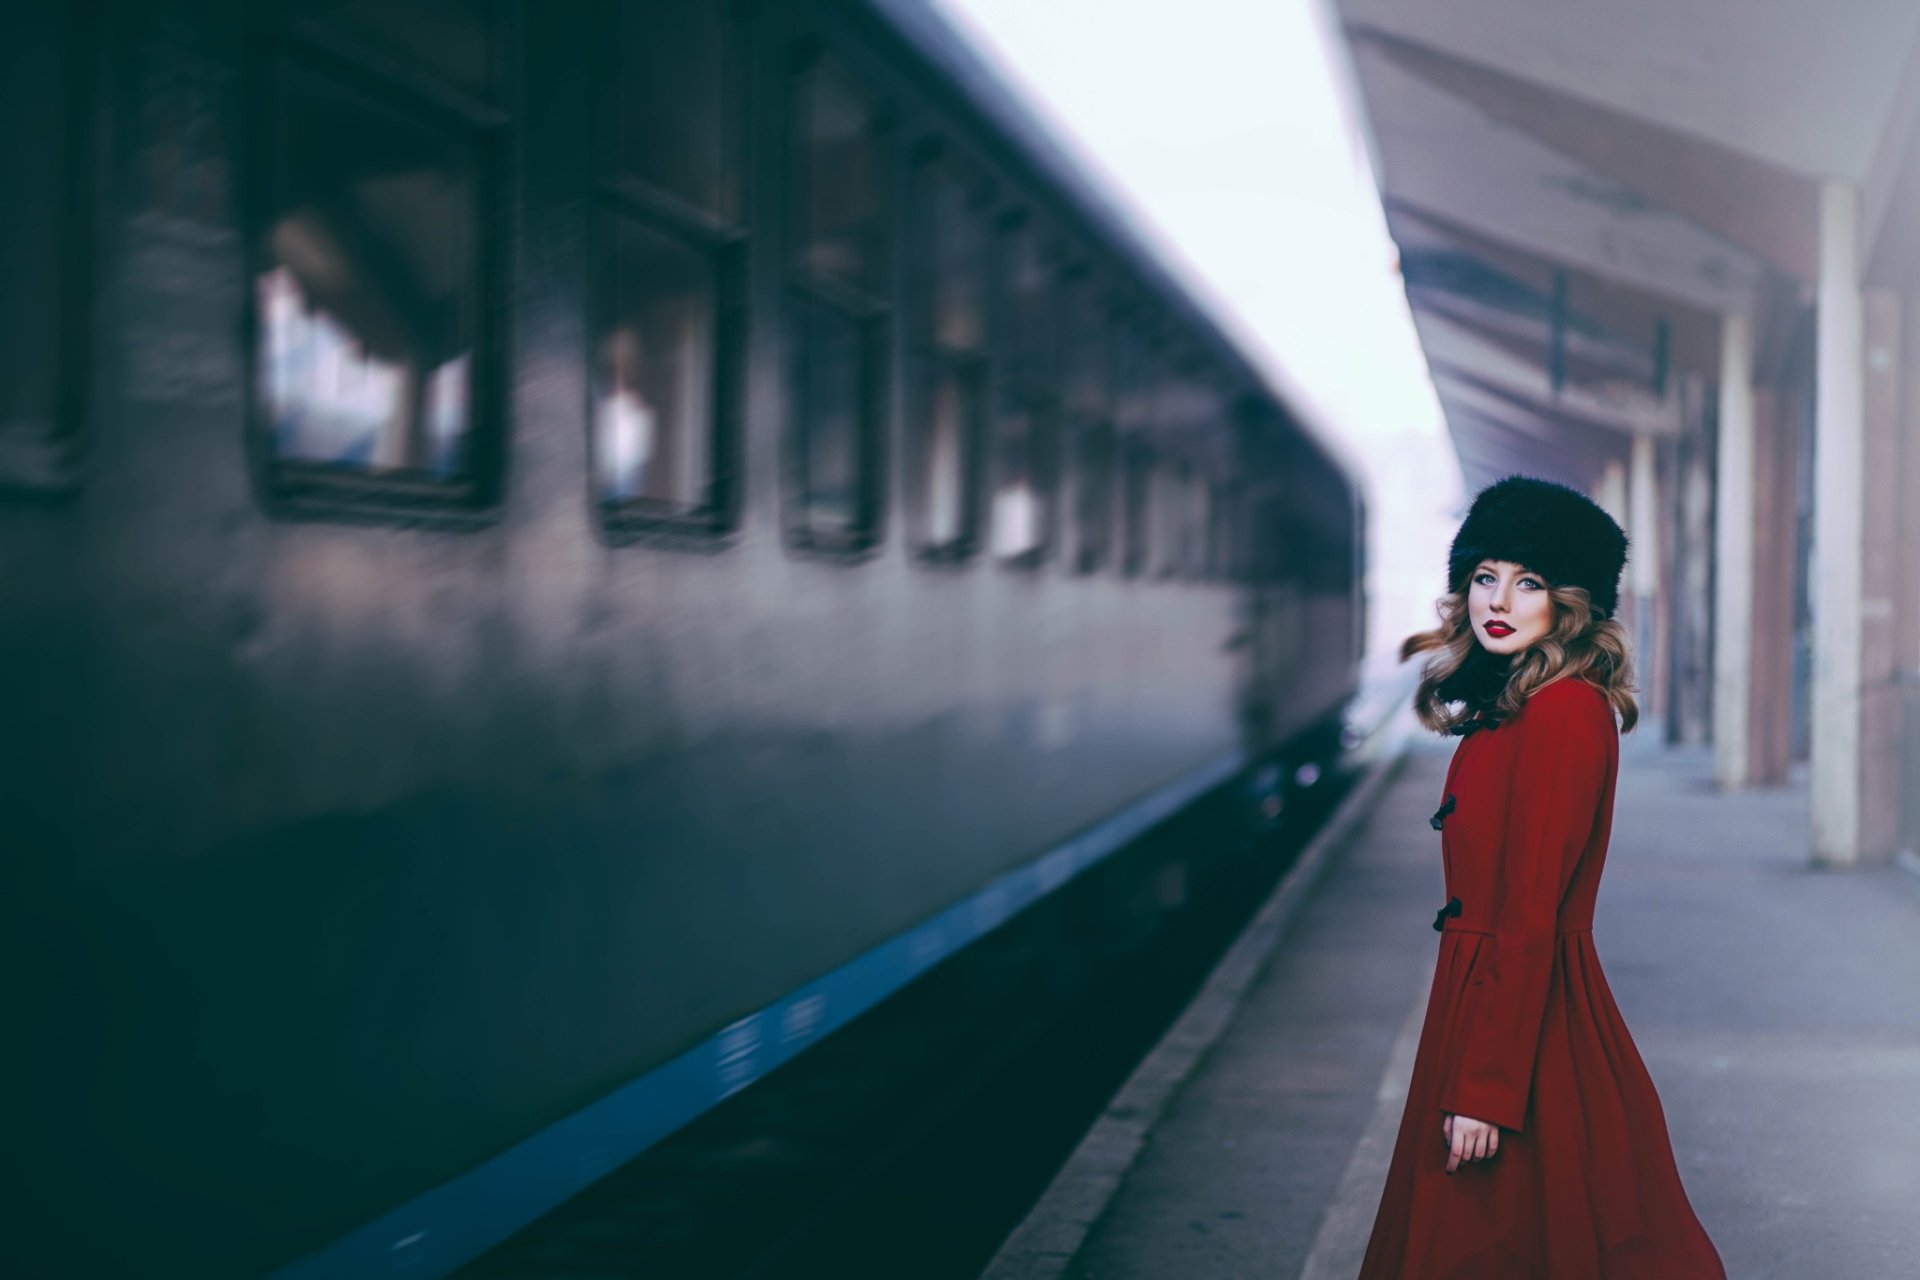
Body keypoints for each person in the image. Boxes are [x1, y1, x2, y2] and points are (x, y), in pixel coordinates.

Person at [1358, 475, 1726, 1279]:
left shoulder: (1563, 714)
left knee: (1491, 1238)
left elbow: (1530, 911)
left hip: (1522, 1008)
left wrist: (1488, 1088)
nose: (1500, 599)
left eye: (1529, 582)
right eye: (1486, 576)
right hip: (1496, 998)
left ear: (1571, 603)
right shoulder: (1522, 703)